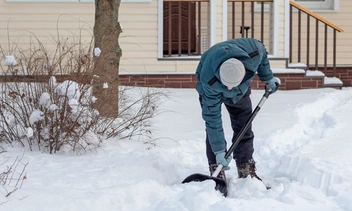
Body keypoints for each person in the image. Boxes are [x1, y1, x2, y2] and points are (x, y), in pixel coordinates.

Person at [195, 38, 280, 181]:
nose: (229, 89)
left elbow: (263, 56)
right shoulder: (208, 80)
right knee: (212, 129)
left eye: (232, 85)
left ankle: (245, 167)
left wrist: (268, 78)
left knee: (244, 126)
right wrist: (219, 151)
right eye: (226, 84)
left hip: (241, 92)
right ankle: (216, 167)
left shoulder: (254, 52)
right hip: (212, 88)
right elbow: (212, 119)